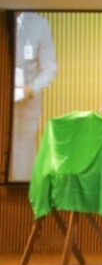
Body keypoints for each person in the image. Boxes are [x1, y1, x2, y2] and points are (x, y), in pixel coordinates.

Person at [10, 11, 57, 182]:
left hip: (27, 103)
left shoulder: (39, 24)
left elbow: (50, 68)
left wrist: (32, 88)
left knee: (24, 155)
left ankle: (23, 193)